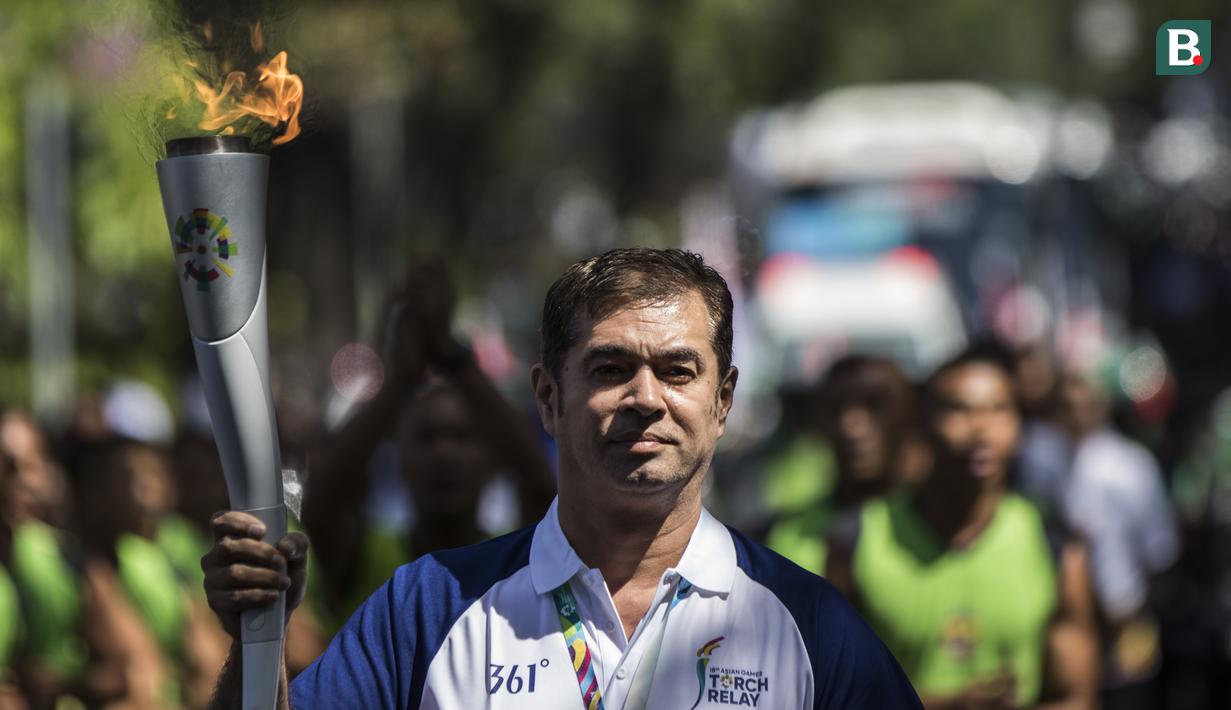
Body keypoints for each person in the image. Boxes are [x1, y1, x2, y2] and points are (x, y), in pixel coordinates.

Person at [202, 248, 921, 709]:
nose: (646, 397)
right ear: (548, 398)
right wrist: (256, 639)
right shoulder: (425, 609)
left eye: (677, 370)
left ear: (723, 400)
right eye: (610, 370)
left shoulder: (804, 625)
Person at [826, 345, 1100, 709]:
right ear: (922, 424)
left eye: (999, 409)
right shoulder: (858, 540)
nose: (982, 429)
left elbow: (1076, 696)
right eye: (960, 410)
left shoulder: (1053, 543)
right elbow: (830, 692)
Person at [768, 355, 922, 574]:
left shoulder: (943, 525)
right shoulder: (787, 532)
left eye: (875, 406)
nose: (852, 426)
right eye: (836, 408)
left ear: (909, 416)